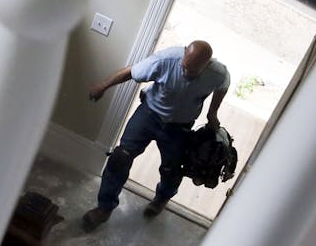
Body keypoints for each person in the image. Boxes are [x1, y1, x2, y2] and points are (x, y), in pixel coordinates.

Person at [82, 40, 230, 231]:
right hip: (150, 114)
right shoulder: (165, 60)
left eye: (193, 72)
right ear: (184, 52)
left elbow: (224, 85)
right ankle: (104, 207)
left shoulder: (217, 73)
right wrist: (103, 86)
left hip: (180, 127)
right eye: (185, 68)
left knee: (173, 169)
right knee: (121, 157)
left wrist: (213, 113)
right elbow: (131, 71)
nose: (187, 74)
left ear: (207, 64)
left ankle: (161, 199)